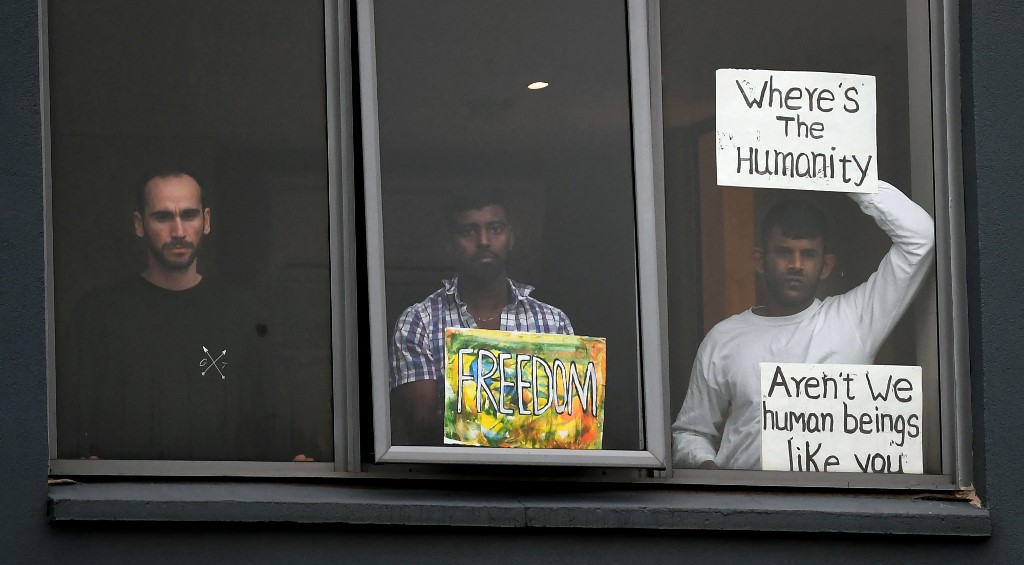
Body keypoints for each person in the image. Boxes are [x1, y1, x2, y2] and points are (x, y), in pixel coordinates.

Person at [671, 180, 935, 470]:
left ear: (826, 265)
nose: (796, 264)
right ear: (760, 260)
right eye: (784, 252)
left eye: (808, 254)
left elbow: (920, 238)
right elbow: (691, 433)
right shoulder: (724, 339)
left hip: (838, 495)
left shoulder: (854, 320)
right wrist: (710, 472)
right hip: (746, 495)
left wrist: (848, 177)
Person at [58, 171, 296, 461]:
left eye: (189, 215)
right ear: (139, 224)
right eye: (163, 217)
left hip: (224, 486)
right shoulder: (98, 315)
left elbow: (273, 416)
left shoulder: (244, 314)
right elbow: (72, 424)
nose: (179, 231)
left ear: (206, 221)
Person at [389, 189, 574, 445]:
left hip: (535, 471)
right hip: (450, 470)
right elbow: (422, 426)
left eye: (496, 229)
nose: (484, 241)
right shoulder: (419, 322)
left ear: (511, 238)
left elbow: (567, 426)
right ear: (449, 243)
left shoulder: (553, 323)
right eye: (468, 231)